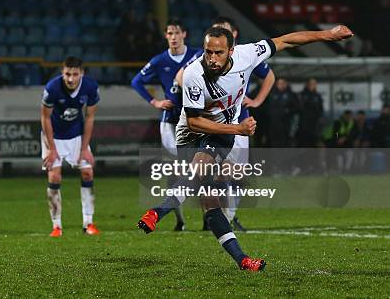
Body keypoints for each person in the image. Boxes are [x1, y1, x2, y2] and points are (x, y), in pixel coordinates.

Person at [138, 25, 353, 271]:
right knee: (203, 183)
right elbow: (195, 121)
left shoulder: (247, 54)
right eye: (208, 52)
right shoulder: (194, 74)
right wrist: (238, 129)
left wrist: (328, 35)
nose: (211, 58)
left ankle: (241, 260)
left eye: (218, 53)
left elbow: (286, 40)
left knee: (210, 201)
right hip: (191, 132)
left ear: (231, 51)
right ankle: (158, 212)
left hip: (221, 132)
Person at [131, 18, 203, 231]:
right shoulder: (160, 60)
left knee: (200, 169)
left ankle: (208, 217)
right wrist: (155, 102)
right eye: (169, 33)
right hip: (171, 120)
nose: (172, 37)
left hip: (195, 118)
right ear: (166, 36)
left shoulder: (197, 55)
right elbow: (136, 81)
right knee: (177, 170)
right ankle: (179, 219)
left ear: (184, 35)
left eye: (176, 33)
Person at [210, 17, 276, 232]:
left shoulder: (245, 56)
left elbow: (269, 76)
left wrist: (256, 101)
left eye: (225, 30)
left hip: (241, 122)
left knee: (237, 173)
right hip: (217, 124)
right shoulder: (210, 57)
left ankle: (229, 215)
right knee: (218, 171)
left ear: (234, 34)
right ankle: (220, 217)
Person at [41, 57, 100, 237]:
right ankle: (56, 226)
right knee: (55, 176)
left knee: (88, 172)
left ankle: (88, 223)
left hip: (77, 136)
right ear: (62, 73)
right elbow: (44, 118)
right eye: (67, 74)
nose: (71, 79)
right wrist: (51, 149)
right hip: (54, 136)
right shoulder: (52, 88)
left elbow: (89, 117)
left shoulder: (90, 87)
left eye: (75, 74)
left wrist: (84, 149)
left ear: (81, 73)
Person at [297, 78, 324, 148]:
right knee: (304, 143)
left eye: (314, 84)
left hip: (314, 125)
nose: (312, 85)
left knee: (314, 143)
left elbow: (321, 109)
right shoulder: (302, 95)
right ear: (307, 84)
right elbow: (298, 108)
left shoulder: (318, 96)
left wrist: (319, 119)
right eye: (311, 83)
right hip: (304, 124)